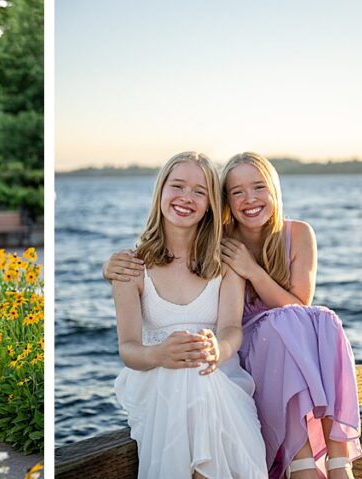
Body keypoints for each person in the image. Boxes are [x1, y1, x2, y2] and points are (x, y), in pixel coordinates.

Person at [106, 152, 361, 479]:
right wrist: (109, 268)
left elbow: (275, 316)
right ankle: (302, 463)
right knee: (194, 372)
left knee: (319, 319)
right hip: (194, 364)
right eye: (237, 191)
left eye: (199, 191)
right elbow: (129, 345)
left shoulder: (253, 249)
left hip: (240, 360)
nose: (249, 198)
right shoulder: (167, 257)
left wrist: (249, 278)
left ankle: (335, 460)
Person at [111, 152, 267, 478]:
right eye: (178, 186)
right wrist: (160, 354)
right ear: (161, 191)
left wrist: (216, 350)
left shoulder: (225, 261)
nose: (186, 197)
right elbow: (128, 349)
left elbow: (231, 329)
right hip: (156, 379)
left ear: (210, 204)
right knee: (185, 371)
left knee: (195, 368)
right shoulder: (131, 267)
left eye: (199, 191)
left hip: (219, 376)